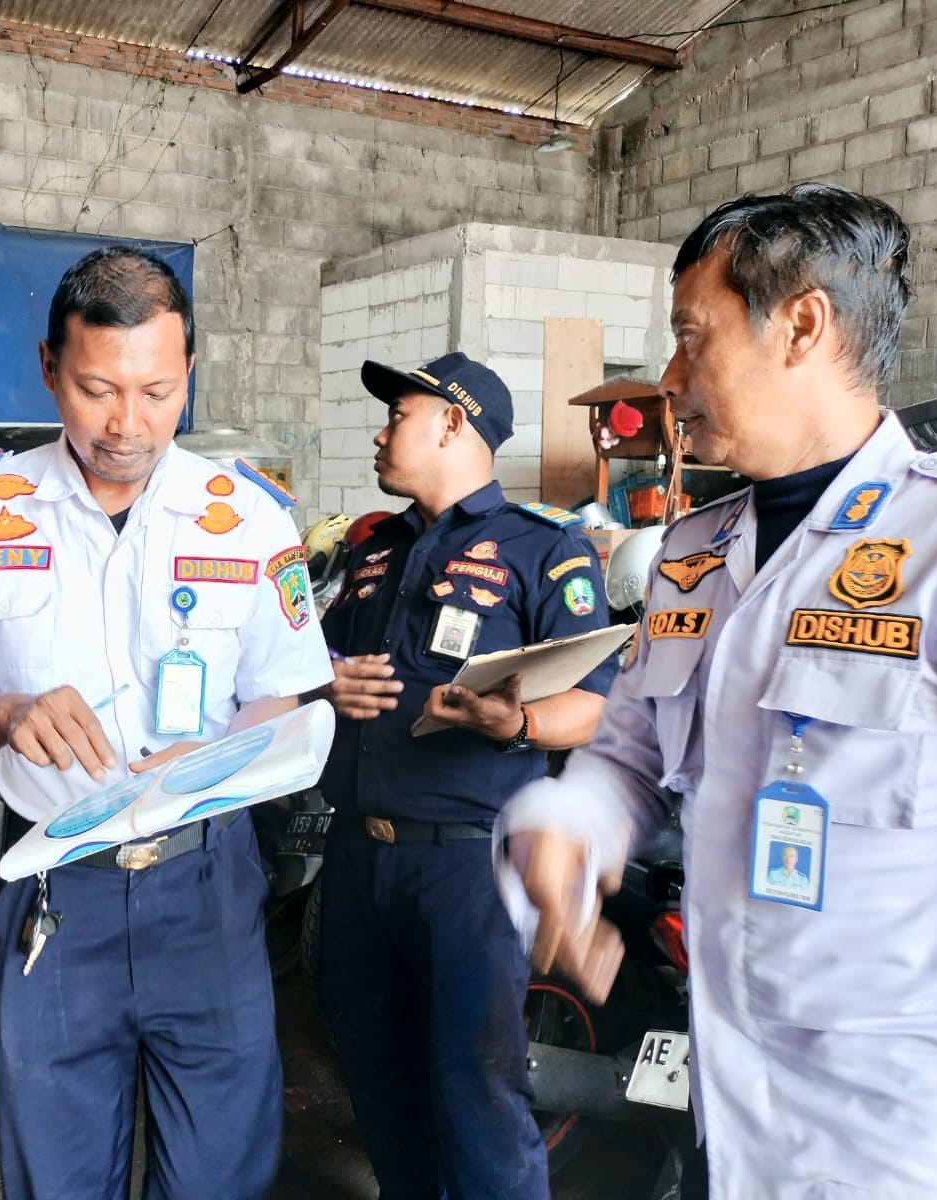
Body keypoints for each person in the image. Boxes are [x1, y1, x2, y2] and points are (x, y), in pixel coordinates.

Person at [499, 184, 937, 1199]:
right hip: (730, 1118)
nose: (669, 379)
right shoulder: (693, 552)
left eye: (690, 337)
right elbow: (629, 755)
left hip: (909, 1150)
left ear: (802, 325)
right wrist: (569, 827)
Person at [0, 247, 332, 1200]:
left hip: (207, 888)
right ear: (49, 369)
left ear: (189, 374)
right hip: (55, 885)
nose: (128, 425)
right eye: (96, 390)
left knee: (219, 1177)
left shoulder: (248, 518)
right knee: (56, 1176)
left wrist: (219, 756)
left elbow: (279, 697)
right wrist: (6, 713)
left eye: (158, 393)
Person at [311, 351, 616, 1200]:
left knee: (478, 1093)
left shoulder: (542, 549)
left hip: (466, 868)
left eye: (396, 416)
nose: (381, 434)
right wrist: (324, 680)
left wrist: (518, 723)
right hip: (356, 858)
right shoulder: (375, 550)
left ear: (452, 421)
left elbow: (593, 703)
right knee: (376, 1078)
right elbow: (308, 661)